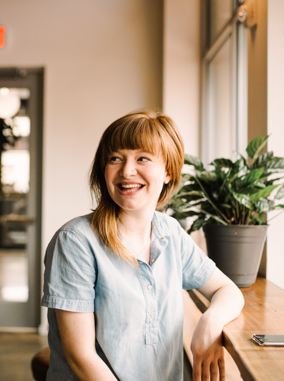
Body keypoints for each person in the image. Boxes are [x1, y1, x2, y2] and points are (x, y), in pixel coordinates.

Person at [41, 111, 244, 381]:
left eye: (142, 158)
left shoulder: (169, 232)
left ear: (168, 172)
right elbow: (81, 358)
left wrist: (210, 322)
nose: (126, 171)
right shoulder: (75, 241)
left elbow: (227, 290)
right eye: (115, 158)